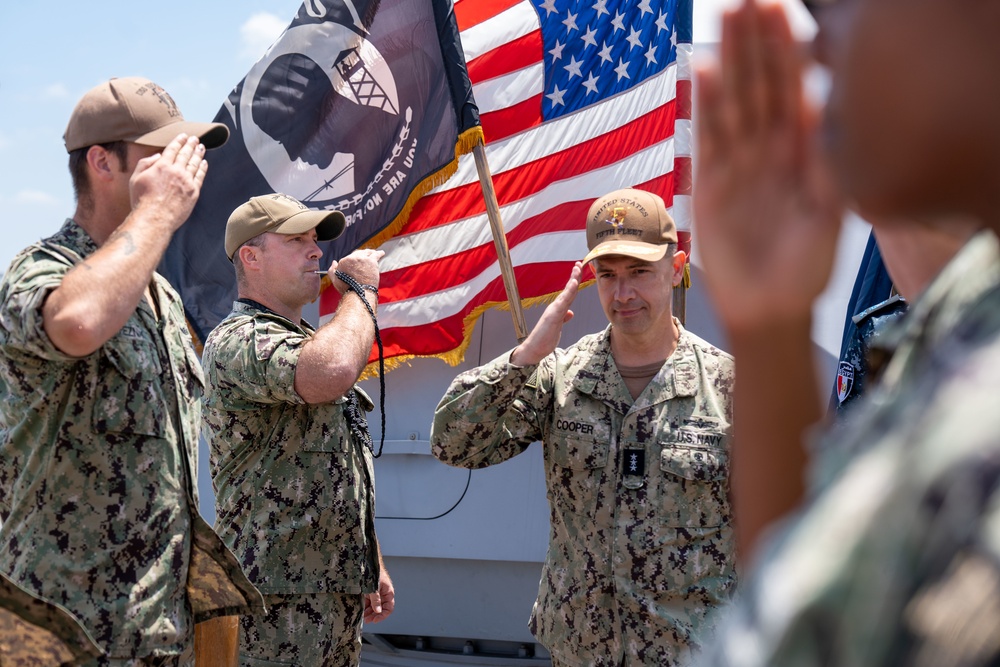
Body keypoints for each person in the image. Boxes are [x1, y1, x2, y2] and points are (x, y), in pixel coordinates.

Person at [691, 0, 1000, 664]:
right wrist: (770, 326)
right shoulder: (969, 315)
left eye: (840, 6)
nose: (820, 45)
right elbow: (820, 601)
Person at [0, 76, 262, 665]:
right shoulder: (39, 269)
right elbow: (79, 321)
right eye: (161, 152)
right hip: (66, 635)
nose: (183, 167)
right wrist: (158, 213)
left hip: (156, 631)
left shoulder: (163, 301)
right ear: (102, 162)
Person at [430, 188, 737, 667]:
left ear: (676, 269)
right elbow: (453, 443)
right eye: (607, 276)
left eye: (639, 272)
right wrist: (527, 355)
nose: (623, 294)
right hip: (580, 649)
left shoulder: (728, 386)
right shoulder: (561, 377)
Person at [202, 193, 395, 666]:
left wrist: (372, 562)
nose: (316, 251)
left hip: (330, 597)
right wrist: (360, 291)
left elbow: (336, 467)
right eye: (296, 241)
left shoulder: (307, 342)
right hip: (270, 607)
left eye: (315, 240)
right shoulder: (238, 339)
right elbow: (332, 370)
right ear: (251, 256)